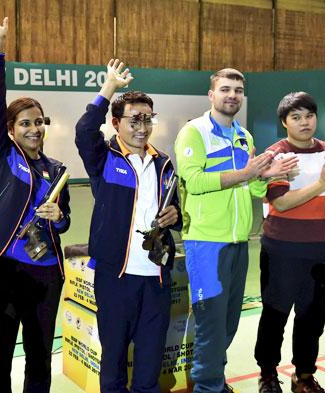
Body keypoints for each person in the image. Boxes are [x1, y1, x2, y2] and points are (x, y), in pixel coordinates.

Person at [173, 68, 297, 393]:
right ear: (211, 95)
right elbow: (193, 182)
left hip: (239, 243)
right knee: (211, 326)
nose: (232, 95)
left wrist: (267, 175)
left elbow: (253, 192)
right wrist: (245, 173)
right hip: (206, 244)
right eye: (225, 89)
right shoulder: (194, 133)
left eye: (238, 90)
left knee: (227, 324)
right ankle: (207, 388)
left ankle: (216, 381)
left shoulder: (244, 137)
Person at [0, 10, 71, 393]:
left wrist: (58, 215)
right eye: (26, 123)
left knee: (39, 356)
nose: (35, 129)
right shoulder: (1, 155)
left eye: (39, 122)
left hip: (43, 275)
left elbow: (63, 224)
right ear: (12, 130)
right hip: (1, 271)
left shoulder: (57, 168)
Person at [75, 59, 182, 393]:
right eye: (135, 119)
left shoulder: (164, 163)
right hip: (115, 277)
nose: (142, 126)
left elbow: (174, 208)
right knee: (114, 361)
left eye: (148, 119)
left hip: (157, 278)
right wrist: (109, 87)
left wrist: (174, 216)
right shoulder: (103, 159)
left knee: (150, 361)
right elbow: (83, 131)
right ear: (116, 123)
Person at [254, 92, 325, 393]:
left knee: (312, 317)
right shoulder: (276, 155)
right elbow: (281, 203)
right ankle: (268, 374)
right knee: (275, 313)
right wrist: (321, 183)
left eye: (308, 116)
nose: (304, 122)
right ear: (284, 122)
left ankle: (304, 376)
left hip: (321, 248)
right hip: (281, 248)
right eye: (296, 117)